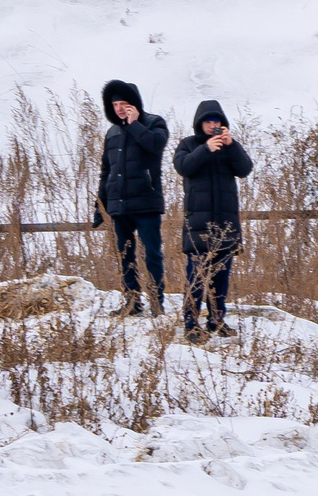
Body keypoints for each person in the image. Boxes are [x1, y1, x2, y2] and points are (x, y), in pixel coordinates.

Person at [172, 99, 253, 339]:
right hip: (198, 224)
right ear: (200, 123)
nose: (213, 125)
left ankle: (216, 320)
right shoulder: (188, 145)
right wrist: (206, 148)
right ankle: (191, 324)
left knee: (221, 276)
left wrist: (232, 145)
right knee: (196, 276)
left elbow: (245, 169)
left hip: (225, 223)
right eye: (208, 121)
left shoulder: (229, 148)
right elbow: (183, 167)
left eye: (217, 121)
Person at [91, 79, 169, 315]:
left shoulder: (154, 123)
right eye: (115, 104)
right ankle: (132, 303)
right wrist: (100, 206)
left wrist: (135, 125)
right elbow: (106, 172)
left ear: (134, 104)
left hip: (146, 202)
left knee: (152, 254)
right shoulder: (112, 132)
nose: (120, 109)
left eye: (124, 103)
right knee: (126, 256)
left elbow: (156, 146)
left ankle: (157, 303)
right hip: (119, 205)